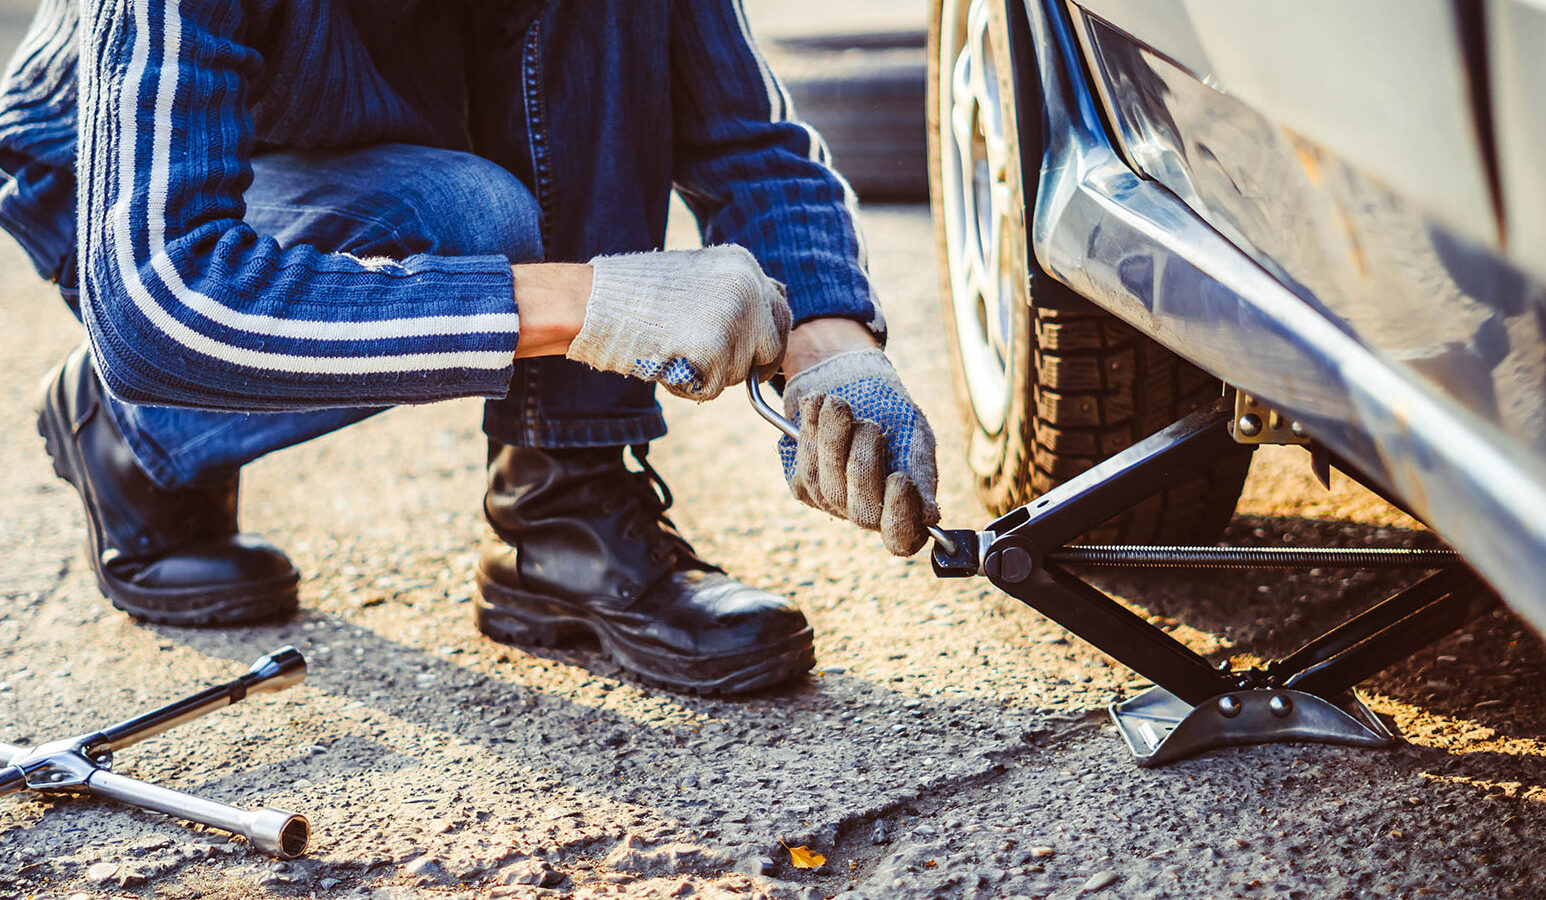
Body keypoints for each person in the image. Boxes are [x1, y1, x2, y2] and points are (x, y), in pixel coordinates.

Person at [0, 0, 940, 695]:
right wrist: (600, 303)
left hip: (396, 119)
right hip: (116, 170)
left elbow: (743, 134)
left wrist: (834, 349)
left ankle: (565, 503)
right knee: (465, 217)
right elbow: (163, 295)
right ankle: (134, 428)